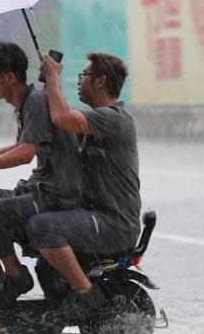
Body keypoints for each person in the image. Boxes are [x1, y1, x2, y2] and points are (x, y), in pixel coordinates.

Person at [0, 42, 83, 308]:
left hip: (55, 194)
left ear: (9, 77)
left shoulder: (35, 101)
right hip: (38, 189)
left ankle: (16, 275)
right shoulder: (27, 103)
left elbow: (25, 153)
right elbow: (22, 145)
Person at [27, 52, 142, 328]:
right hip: (94, 216)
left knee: (43, 227)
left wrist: (54, 77)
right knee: (44, 258)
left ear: (101, 81)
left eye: (84, 76)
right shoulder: (94, 122)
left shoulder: (115, 119)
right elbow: (60, 119)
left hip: (113, 222)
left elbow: (63, 118)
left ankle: (85, 294)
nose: (79, 82)